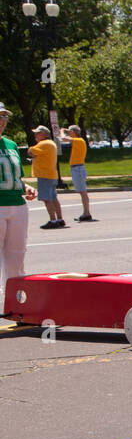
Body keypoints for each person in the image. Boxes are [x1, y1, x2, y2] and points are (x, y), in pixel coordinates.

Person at [1, 104, 39, 309]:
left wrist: (27, 187)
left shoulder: (11, 145)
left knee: (17, 257)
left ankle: (16, 306)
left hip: (18, 206)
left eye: (4, 117)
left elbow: (16, 177)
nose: (1, 122)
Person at [28, 125, 63, 229]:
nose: (35, 135)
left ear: (44, 134)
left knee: (47, 199)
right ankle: (60, 219)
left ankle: (53, 220)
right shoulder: (51, 143)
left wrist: (32, 151)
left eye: (37, 133)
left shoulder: (43, 144)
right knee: (53, 198)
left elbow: (30, 152)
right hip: (52, 174)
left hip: (44, 175)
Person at [60, 126, 94, 222]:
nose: (69, 133)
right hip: (76, 168)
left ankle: (87, 213)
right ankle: (86, 213)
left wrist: (62, 131)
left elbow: (63, 138)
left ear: (74, 132)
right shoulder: (77, 141)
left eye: (70, 131)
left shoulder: (78, 140)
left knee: (83, 192)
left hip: (78, 168)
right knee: (81, 191)